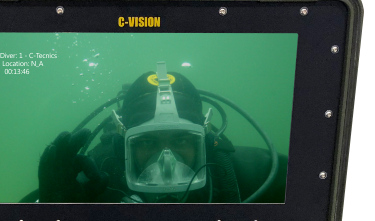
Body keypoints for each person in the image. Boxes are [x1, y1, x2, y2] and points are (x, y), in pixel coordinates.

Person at [35, 63, 287, 204]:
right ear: (122, 146)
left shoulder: (255, 174)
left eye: (182, 139)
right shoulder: (96, 181)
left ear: (206, 142)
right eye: (146, 141)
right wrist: (52, 210)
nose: (167, 161)